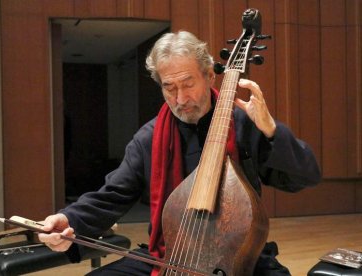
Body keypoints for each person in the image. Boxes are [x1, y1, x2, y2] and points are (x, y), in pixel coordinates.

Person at [38, 31, 321, 275]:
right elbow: (111, 196)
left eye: (187, 84)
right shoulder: (148, 138)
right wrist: (70, 220)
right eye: (169, 87)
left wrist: (271, 130)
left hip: (240, 257)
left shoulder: (244, 124)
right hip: (169, 255)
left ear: (209, 75)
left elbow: (304, 177)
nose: (180, 99)